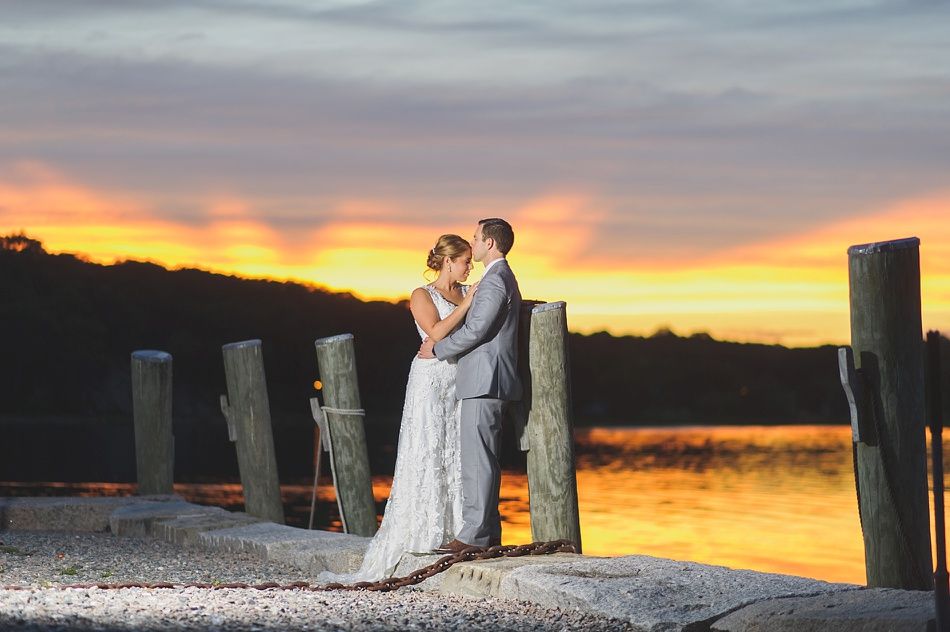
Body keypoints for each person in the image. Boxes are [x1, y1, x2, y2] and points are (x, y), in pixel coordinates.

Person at [318, 234, 477, 583]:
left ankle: (454, 530)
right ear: (448, 261)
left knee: (454, 450)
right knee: (427, 447)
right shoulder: (422, 295)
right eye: (465, 260)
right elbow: (435, 332)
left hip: (458, 381)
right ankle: (422, 533)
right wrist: (468, 304)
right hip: (430, 379)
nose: (470, 266)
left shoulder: (467, 292)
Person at [418, 218, 521, 552]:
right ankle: (488, 532)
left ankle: (474, 537)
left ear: (489, 243)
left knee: (479, 460)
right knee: (484, 458)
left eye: (476, 238)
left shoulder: (494, 280)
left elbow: (477, 330)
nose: (472, 243)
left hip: (484, 378)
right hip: (486, 378)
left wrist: (438, 349)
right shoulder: (499, 278)